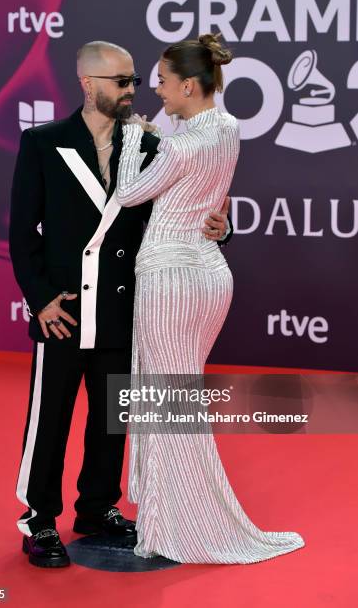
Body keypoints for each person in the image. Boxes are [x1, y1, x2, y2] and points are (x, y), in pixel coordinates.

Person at [9, 40, 232, 568]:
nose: (134, 91)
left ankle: (97, 508)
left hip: (123, 308)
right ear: (88, 85)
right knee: (51, 420)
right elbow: (22, 235)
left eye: (137, 80)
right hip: (63, 311)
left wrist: (222, 230)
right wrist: (40, 301)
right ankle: (38, 519)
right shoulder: (44, 143)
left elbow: (189, 209)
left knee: (111, 420)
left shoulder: (155, 147)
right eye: (123, 82)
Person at [116, 33, 305, 563]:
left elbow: (129, 193)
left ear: (189, 85)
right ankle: (168, 515)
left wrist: (134, 138)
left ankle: (185, 526)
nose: (155, 88)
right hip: (209, 277)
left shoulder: (179, 144)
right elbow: (197, 183)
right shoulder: (227, 128)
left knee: (167, 404)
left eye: (162, 80)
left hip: (171, 280)